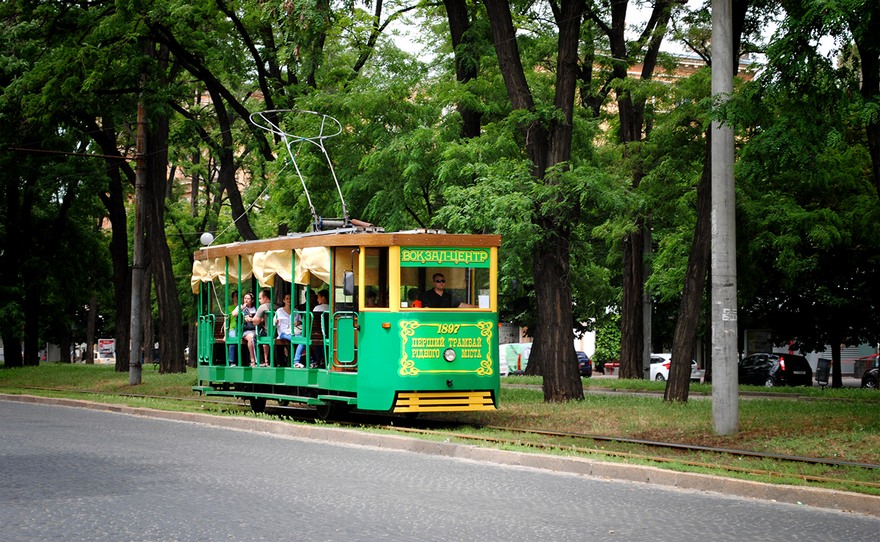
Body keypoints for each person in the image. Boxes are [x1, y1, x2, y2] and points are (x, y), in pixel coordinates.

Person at [233, 292, 257, 366]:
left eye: (248, 298)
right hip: (244, 330)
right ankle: (253, 360)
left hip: (254, 328)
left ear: (252, 300)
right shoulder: (240, 307)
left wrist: (252, 319)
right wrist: (243, 308)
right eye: (245, 298)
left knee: (257, 336)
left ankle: (263, 360)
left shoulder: (255, 308)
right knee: (251, 337)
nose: (246, 300)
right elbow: (234, 314)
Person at [251, 289, 273, 366]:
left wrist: (250, 319)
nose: (259, 301)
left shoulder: (263, 307)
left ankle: (261, 361)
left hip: (268, 332)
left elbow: (255, 321)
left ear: (265, 298)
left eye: (260, 298)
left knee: (255, 338)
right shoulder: (277, 306)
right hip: (277, 332)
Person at [310, 289, 330, 368]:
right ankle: (323, 359)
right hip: (329, 333)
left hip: (319, 334)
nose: (317, 299)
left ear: (323, 298)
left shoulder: (317, 308)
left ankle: (318, 360)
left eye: (318, 297)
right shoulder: (332, 308)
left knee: (312, 342)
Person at [275, 293, 294, 366]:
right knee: (294, 339)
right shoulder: (279, 311)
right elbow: (274, 322)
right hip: (283, 333)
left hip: (294, 332)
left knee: (297, 338)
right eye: (287, 298)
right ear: (283, 300)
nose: (289, 300)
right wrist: (276, 321)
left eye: (290, 298)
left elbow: (300, 321)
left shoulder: (296, 311)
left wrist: (298, 322)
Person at [226, 291, 239, 365]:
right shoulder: (229, 308)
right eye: (236, 296)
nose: (237, 297)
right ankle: (232, 361)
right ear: (233, 298)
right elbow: (226, 321)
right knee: (233, 338)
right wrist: (225, 334)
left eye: (239, 296)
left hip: (241, 329)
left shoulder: (242, 306)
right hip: (233, 328)